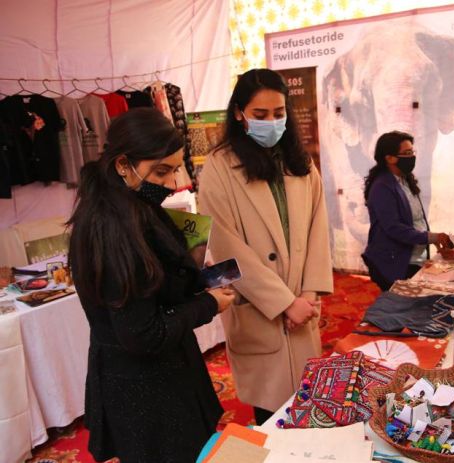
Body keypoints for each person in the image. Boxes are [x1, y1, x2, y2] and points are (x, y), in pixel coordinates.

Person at [68, 108, 235, 463]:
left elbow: (156, 292)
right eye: (162, 171)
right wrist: (209, 304)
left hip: (164, 377)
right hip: (147, 393)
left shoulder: (133, 206)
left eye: (176, 168)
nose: (174, 182)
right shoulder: (113, 229)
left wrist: (192, 275)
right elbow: (142, 333)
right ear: (123, 165)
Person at [198, 69, 333, 425]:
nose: (271, 122)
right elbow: (224, 247)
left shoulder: (299, 162)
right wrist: (284, 303)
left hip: (301, 306)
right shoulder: (219, 167)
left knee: (309, 407)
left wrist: (306, 293)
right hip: (259, 307)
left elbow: (318, 228)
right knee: (272, 415)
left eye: (278, 114)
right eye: (260, 115)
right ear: (239, 113)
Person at [362, 131, 450, 291]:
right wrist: (430, 237)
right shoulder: (382, 186)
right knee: (399, 308)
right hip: (393, 261)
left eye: (412, 152)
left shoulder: (404, 179)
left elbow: (417, 220)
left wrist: (432, 238)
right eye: (406, 153)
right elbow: (394, 228)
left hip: (413, 258)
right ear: (389, 158)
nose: (411, 157)